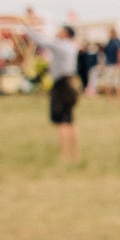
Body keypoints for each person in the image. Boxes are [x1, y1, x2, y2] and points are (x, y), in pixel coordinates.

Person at [43, 24, 82, 162]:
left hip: (60, 85)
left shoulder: (61, 46)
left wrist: (26, 26)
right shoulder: (72, 46)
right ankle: (75, 154)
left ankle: (64, 155)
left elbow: (42, 41)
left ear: (66, 33)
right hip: (70, 83)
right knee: (70, 120)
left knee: (61, 121)